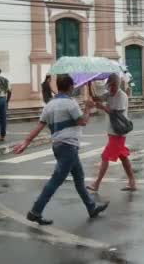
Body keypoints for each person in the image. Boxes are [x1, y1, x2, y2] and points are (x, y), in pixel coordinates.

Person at [13, 74, 108, 225]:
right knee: (56, 180)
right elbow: (83, 122)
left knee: (79, 178)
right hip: (68, 146)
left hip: (58, 145)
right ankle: (35, 211)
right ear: (70, 87)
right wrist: (88, 108)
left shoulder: (50, 104)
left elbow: (40, 125)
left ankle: (91, 207)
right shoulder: (71, 104)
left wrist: (26, 141)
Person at [87, 73, 136, 192]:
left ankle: (96, 183)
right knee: (123, 157)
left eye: (114, 85)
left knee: (105, 156)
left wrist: (102, 107)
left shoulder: (121, 96)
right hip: (112, 131)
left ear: (118, 84)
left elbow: (116, 113)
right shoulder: (109, 94)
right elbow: (96, 98)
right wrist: (89, 85)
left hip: (118, 132)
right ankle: (132, 182)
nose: (112, 88)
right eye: (110, 85)